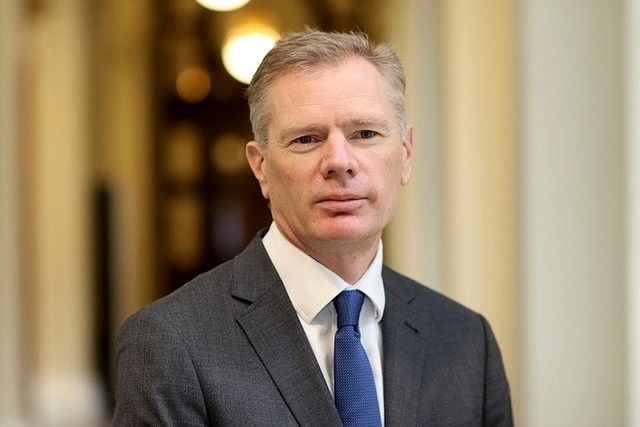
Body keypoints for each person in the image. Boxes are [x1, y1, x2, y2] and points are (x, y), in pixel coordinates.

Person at [113, 30, 513, 426]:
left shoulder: (465, 341)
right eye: (306, 139)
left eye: (365, 134)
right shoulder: (171, 343)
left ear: (406, 154)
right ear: (260, 166)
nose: (340, 161)